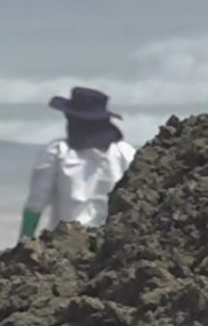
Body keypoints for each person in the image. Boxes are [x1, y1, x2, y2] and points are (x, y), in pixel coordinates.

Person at [20, 87, 136, 239]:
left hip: (65, 245)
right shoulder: (125, 153)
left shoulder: (57, 152)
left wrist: (23, 241)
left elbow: (36, 201)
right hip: (110, 245)